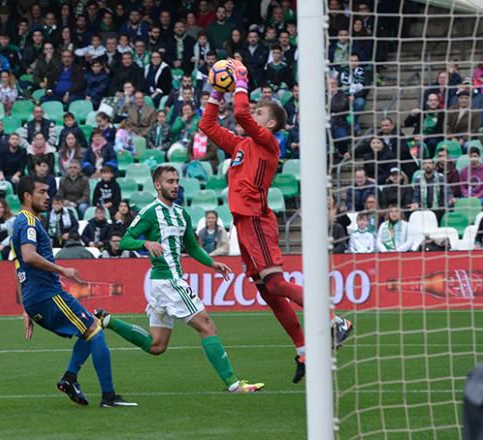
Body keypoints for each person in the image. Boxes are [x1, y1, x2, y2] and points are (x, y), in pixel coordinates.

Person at [199, 60, 353, 383]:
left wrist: (240, 79)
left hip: (255, 217)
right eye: (253, 112)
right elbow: (208, 127)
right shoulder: (242, 145)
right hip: (244, 223)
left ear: (269, 123)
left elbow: (240, 113)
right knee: (268, 293)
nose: (252, 115)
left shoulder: (268, 144)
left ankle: (335, 321)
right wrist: (216, 91)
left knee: (277, 284)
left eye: (258, 114)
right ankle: (305, 349)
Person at [96, 165, 263, 393]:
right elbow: (125, 240)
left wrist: (211, 263)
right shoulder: (150, 212)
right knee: (207, 325)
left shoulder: (182, 214)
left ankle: (108, 321)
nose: (175, 186)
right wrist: (145, 244)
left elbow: (192, 247)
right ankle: (234, 384)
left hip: (160, 285)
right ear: (158, 185)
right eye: (170, 182)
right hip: (169, 281)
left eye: (176, 181)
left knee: (157, 346)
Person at [12, 176, 135, 407]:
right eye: (41, 192)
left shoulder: (21, 222)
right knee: (95, 330)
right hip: (46, 294)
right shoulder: (28, 222)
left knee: (91, 325)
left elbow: (18, 265)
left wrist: (25, 308)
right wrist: (62, 270)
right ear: (28, 196)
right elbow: (28, 257)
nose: (47, 197)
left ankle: (70, 378)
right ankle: (108, 397)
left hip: (36, 297)